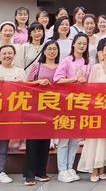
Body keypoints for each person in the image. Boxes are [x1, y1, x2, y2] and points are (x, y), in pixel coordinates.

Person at [78, 41, 106, 182]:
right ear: (101, 53)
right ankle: (94, 170)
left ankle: (102, 168)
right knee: (96, 140)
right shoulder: (96, 68)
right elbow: (90, 88)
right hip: (98, 108)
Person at [53, 33, 92, 183]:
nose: (82, 46)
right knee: (64, 139)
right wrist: (74, 79)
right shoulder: (67, 60)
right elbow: (57, 79)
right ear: (73, 44)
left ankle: (70, 167)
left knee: (75, 139)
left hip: (81, 103)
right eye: (79, 43)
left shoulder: (88, 62)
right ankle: (62, 169)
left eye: (84, 43)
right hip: (66, 103)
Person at [24, 40, 60, 185]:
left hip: (52, 107)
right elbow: (27, 83)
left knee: (46, 140)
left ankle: (41, 171)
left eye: (54, 49)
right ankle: (29, 173)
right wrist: (38, 83)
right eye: (49, 49)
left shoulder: (60, 66)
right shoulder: (37, 66)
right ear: (44, 51)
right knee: (32, 141)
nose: (52, 51)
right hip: (36, 107)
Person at [0, 44, 27, 183]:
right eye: (4, 53)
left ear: (14, 55)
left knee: (3, 142)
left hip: (10, 113)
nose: (7, 55)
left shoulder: (20, 71)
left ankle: (1, 171)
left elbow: (27, 91)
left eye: (10, 53)